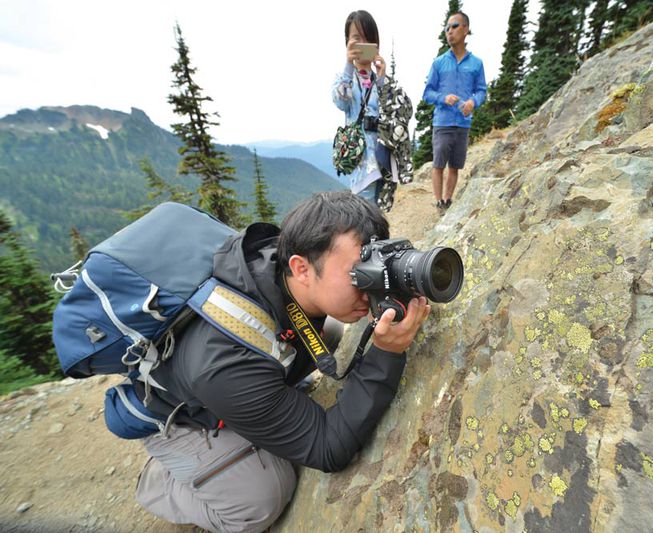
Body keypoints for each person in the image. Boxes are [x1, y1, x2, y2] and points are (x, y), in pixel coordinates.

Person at [133, 191, 431, 532]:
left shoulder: (286, 275)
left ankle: (264, 403)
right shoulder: (225, 362)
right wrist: (387, 353)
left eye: (373, 264)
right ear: (301, 268)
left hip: (241, 378)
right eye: (357, 273)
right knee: (263, 497)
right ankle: (162, 484)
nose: (369, 281)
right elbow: (327, 447)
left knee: (331, 330)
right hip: (181, 417)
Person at [423, 11, 487, 214]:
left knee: (455, 165)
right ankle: (438, 202)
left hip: (463, 123)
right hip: (442, 121)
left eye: (454, 26)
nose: (449, 31)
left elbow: (482, 91)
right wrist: (443, 98)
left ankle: (448, 200)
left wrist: (473, 102)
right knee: (438, 164)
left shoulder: (476, 63)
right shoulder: (439, 62)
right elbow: (427, 93)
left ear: (466, 29)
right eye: (447, 28)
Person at [333, 10, 395, 205]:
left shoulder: (381, 79)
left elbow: (392, 112)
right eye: (356, 38)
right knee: (365, 213)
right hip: (361, 159)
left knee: (380, 212)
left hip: (383, 155)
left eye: (368, 38)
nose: (363, 43)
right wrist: (348, 65)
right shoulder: (345, 78)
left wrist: (383, 77)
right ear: (347, 42)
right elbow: (341, 101)